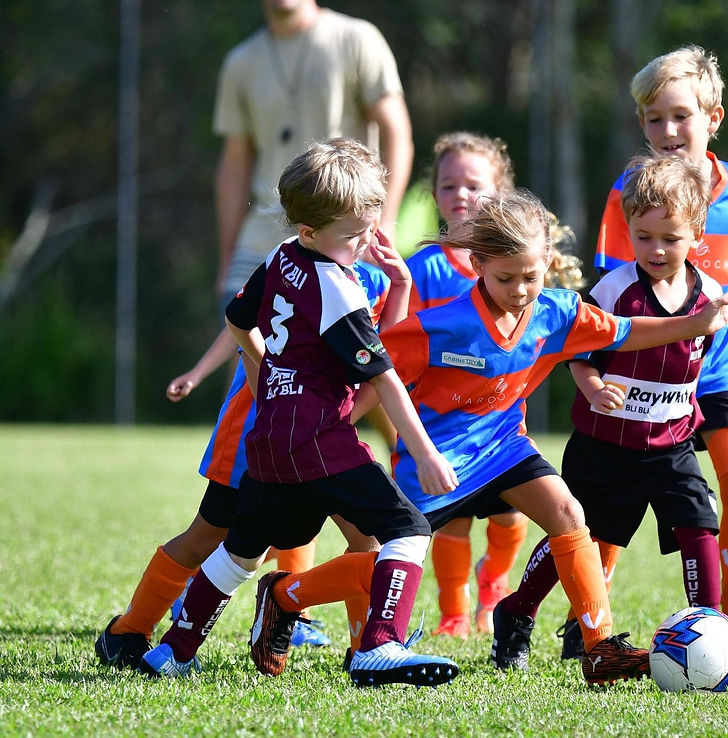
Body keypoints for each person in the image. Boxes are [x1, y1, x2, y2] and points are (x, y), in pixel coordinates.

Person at [372, 189, 728, 684]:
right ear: (478, 265)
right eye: (506, 279)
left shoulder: (559, 311)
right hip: (437, 458)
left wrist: (693, 324)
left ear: (547, 260)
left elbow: (625, 331)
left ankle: (600, 648)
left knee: (569, 514)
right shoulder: (442, 325)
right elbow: (374, 374)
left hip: (504, 447)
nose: (520, 290)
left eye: (530, 276)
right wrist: (341, 430)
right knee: (379, 560)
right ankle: (289, 595)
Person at [138, 138, 460, 689]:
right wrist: (425, 453)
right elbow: (384, 375)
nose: (365, 243)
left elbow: (238, 319)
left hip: (271, 440)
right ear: (311, 231)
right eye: (354, 235)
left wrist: (267, 372)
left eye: (370, 228)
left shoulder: (282, 255)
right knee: (409, 527)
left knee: (241, 552)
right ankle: (379, 645)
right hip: (320, 440)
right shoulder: (338, 289)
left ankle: (173, 650)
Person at [584, 44, 728, 671]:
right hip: (647, 376)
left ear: (713, 118)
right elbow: (611, 293)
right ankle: (589, 623)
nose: (667, 130)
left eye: (681, 115)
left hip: (718, 367)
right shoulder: (630, 192)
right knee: (616, 496)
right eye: (654, 118)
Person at [93, 213, 410, 672]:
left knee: (366, 537)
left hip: (320, 434)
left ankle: (362, 647)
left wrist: (399, 288)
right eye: (355, 225)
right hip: (257, 423)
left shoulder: (371, 280)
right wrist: (238, 377)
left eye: (372, 222)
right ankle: (130, 631)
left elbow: (382, 360)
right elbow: (241, 326)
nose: (367, 235)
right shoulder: (292, 262)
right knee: (211, 535)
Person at [496, 155, 728, 666]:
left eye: (669, 238)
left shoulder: (710, 299)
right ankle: (516, 611)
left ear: (697, 233)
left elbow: (698, 365)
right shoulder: (613, 290)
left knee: (700, 525)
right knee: (578, 535)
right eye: (643, 237)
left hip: (671, 445)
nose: (656, 249)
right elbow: (580, 354)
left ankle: (714, 631)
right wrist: (595, 387)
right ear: (629, 232)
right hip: (605, 447)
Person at [214, 0, 414, 315]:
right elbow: (234, 166)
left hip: (340, 235)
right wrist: (227, 258)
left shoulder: (356, 38)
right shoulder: (240, 62)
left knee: (348, 344)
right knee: (237, 334)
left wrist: (381, 225)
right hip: (260, 241)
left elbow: (397, 135)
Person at [406, 132, 528, 638]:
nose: (461, 194)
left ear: (500, 194)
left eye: (474, 185)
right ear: (434, 194)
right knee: (453, 520)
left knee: (511, 514)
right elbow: (403, 341)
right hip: (442, 425)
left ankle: (494, 585)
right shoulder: (424, 268)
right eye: (448, 185)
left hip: (499, 423)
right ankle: (454, 610)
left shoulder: (515, 263)